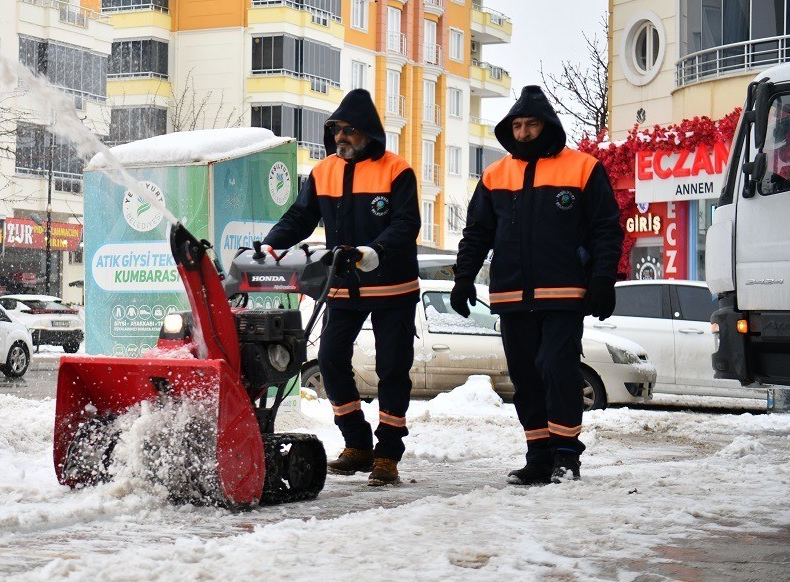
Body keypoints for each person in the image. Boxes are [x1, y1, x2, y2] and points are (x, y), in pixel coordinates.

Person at [452, 85, 623, 484]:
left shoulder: (582, 167)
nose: (524, 131)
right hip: (511, 295)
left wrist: (603, 279)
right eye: (517, 125)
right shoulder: (496, 174)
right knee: (525, 377)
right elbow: (477, 232)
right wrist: (463, 278)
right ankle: (538, 456)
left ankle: (566, 455)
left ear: (547, 126)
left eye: (531, 124)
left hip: (564, 293)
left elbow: (605, 229)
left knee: (556, 367)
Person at [264, 88, 421, 487]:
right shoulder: (323, 172)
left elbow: (406, 223)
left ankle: (387, 453)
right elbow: (301, 216)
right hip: (343, 286)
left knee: (392, 369)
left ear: (367, 132)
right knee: (330, 359)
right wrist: (271, 242)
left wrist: (375, 250)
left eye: (348, 131)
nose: (340, 137)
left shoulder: (396, 170)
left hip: (391, 287)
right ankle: (357, 443)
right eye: (335, 130)